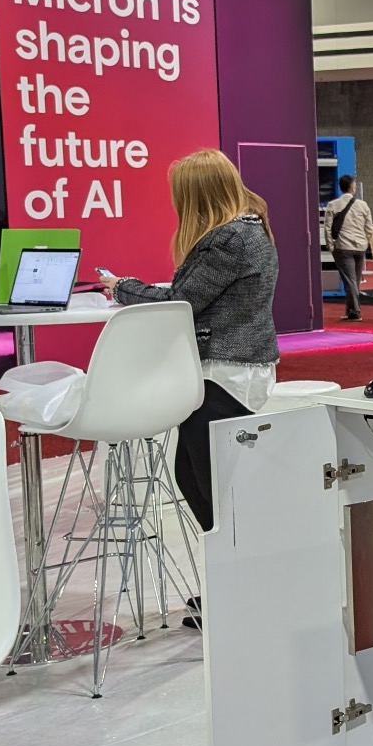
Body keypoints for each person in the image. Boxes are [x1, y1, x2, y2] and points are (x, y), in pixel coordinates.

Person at [103, 149, 279, 561]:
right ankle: (231, 574)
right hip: (232, 369)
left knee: (212, 487)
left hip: (222, 372)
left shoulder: (228, 239)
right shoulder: (250, 231)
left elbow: (179, 301)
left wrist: (121, 287)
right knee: (195, 476)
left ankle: (240, 576)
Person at [325, 173, 373, 320]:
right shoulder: (363, 205)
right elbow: (369, 229)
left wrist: (330, 246)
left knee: (350, 280)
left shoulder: (333, 205)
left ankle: (356, 312)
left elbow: (327, 229)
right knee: (355, 281)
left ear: (341, 187)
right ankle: (351, 310)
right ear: (353, 187)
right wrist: (365, 242)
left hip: (343, 247)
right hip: (360, 247)